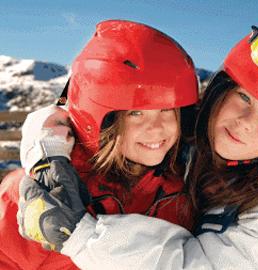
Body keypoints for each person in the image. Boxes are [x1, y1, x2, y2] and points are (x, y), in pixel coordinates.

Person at [17, 23, 258, 269]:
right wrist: (48, 156)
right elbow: (67, 113)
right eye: (244, 97)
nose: (246, 121)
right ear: (219, 91)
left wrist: (81, 235)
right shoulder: (178, 131)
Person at [0, 20, 198, 269]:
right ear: (100, 120)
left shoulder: (180, 192)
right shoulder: (41, 195)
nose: (157, 128)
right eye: (136, 113)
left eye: (168, 110)